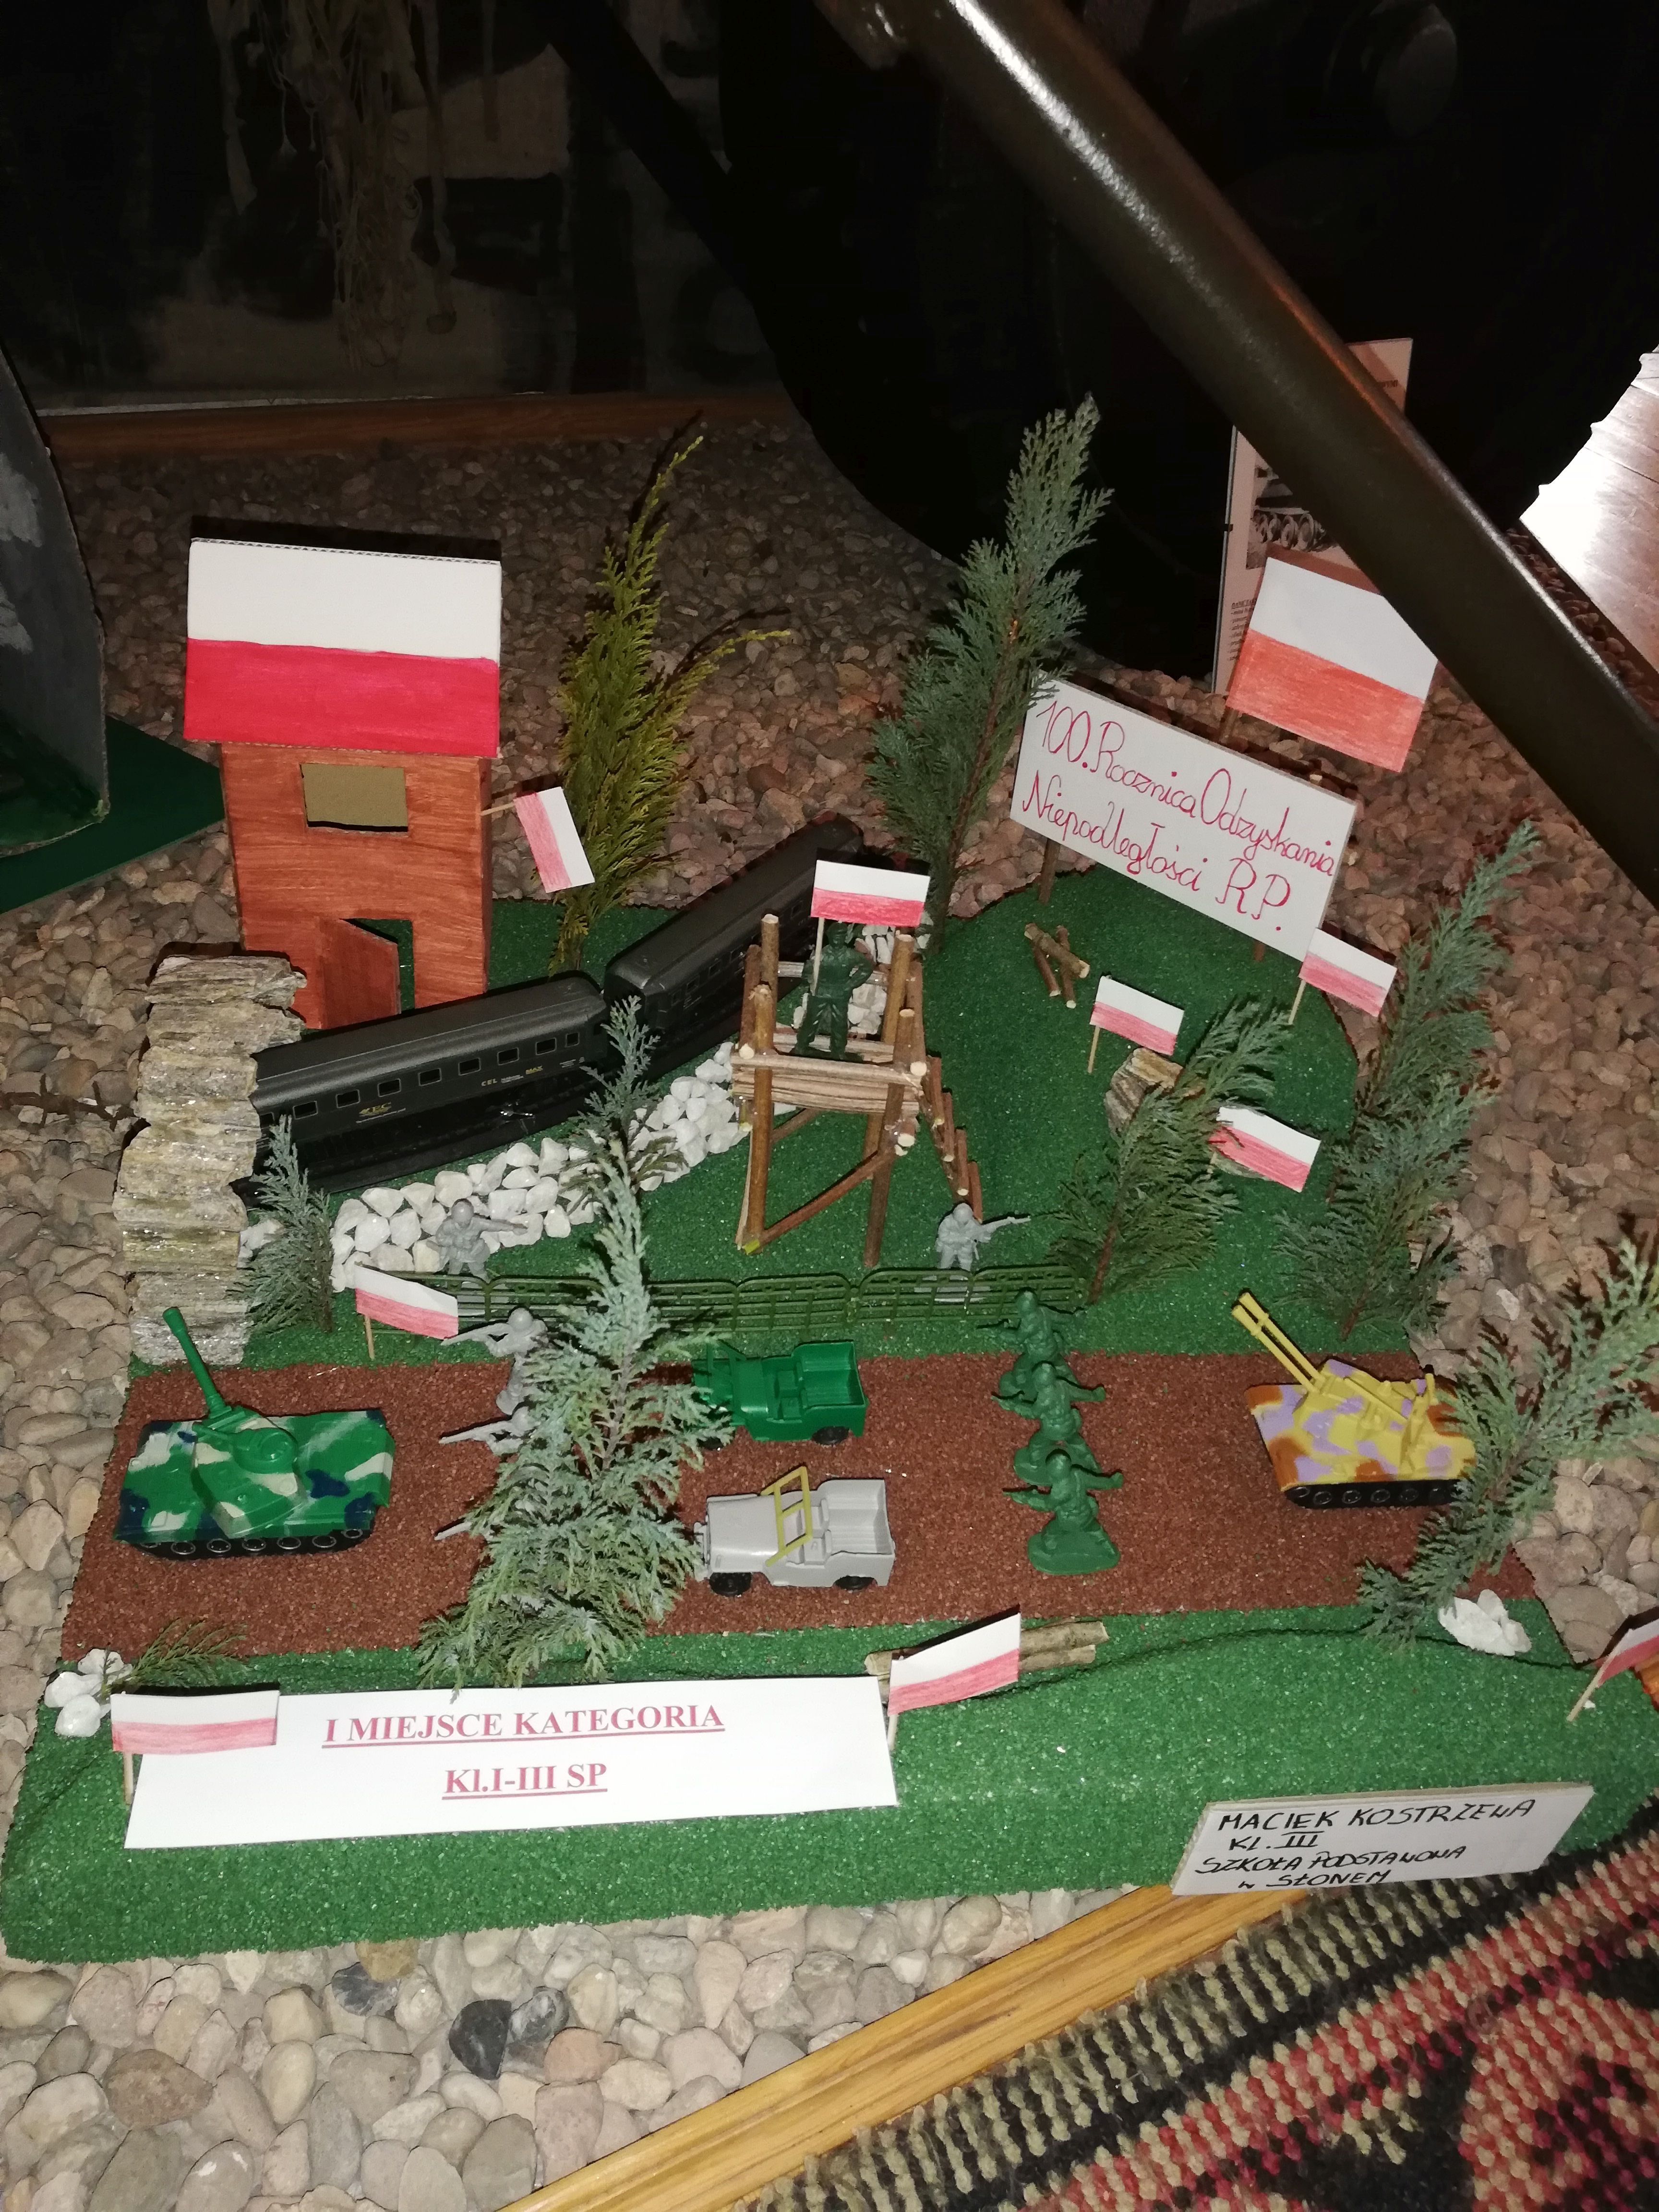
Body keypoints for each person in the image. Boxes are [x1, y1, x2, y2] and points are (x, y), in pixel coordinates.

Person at [1009, 1446, 1121, 1574]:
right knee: (1096, 1532)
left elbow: (1046, 1505)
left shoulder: (1060, 1491)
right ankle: (1110, 1551)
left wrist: (1028, 1499)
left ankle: (1049, 1552)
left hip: (1068, 1521)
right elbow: (1097, 1482)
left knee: (1050, 1533)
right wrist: (1112, 1482)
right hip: (1087, 1515)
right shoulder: (1078, 1474)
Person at [795, 924, 870, 1058]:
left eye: (841, 936)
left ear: (845, 937)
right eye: (835, 936)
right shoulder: (821, 954)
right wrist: (810, 976)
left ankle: (838, 1051)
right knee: (812, 1019)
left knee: (840, 1023)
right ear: (829, 937)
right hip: (820, 991)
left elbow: (867, 968)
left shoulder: (850, 955)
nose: (837, 939)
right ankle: (802, 1046)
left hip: (840, 994)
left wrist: (850, 984)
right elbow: (808, 971)